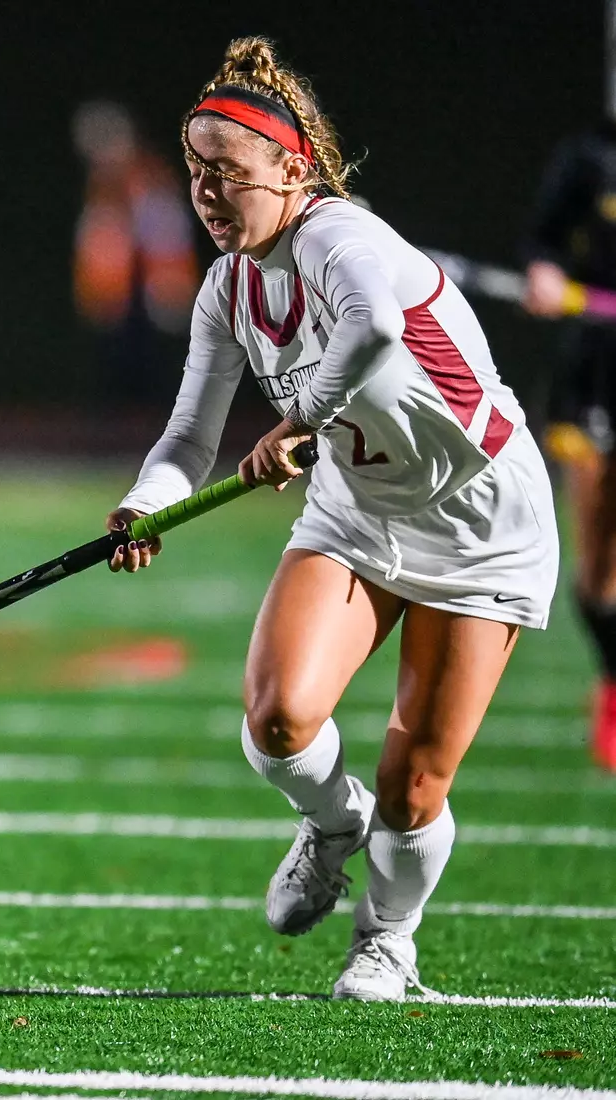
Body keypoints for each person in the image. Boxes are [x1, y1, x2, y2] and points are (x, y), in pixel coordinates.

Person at [106, 38, 557, 1001]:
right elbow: (187, 440)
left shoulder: (337, 237)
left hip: (477, 518)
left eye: (228, 174)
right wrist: (145, 506)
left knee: (415, 787)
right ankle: (329, 817)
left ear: (292, 169)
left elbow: (375, 328)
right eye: (194, 172)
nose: (205, 193)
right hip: (356, 508)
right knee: (276, 720)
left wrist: (297, 419)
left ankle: (387, 941)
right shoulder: (227, 288)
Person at [520, 120, 616, 771]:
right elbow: (543, 240)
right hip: (597, 370)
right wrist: (545, 273)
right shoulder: (589, 154)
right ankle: (613, 679)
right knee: (597, 574)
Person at [71, 100, 200, 403]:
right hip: (117, 298)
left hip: (155, 294)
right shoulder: (100, 186)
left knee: (160, 379)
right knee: (115, 376)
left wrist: (171, 287)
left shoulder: (150, 177)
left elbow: (167, 234)